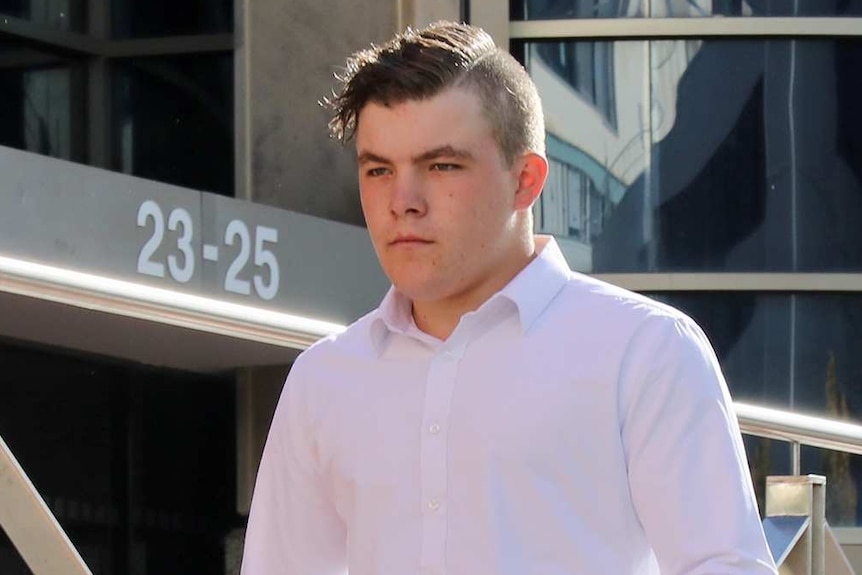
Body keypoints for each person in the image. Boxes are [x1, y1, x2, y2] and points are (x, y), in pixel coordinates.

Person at [241, 21, 777, 575]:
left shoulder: (644, 351)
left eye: (441, 165)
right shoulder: (323, 379)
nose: (402, 201)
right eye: (379, 169)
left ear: (526, 179)